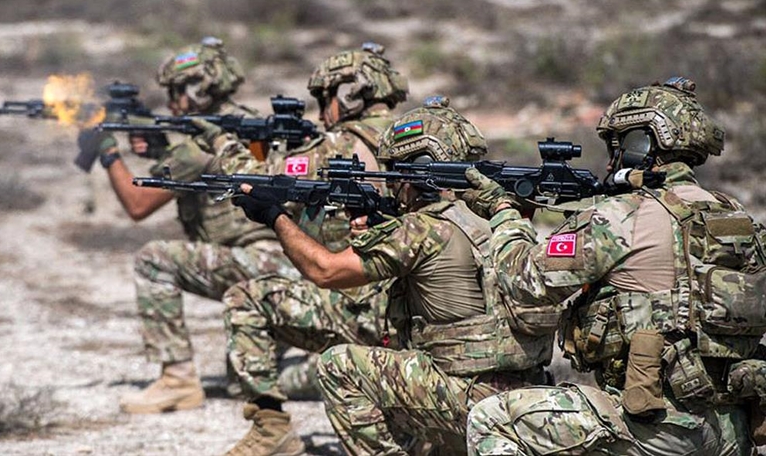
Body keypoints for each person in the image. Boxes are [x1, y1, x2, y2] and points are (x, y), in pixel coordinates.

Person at [229, 97, 557, 456]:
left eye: (398, 172)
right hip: (527, 394)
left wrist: (274, 216)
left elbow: (324, 271)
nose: (394, 184)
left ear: (418, 171)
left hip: (468, 397)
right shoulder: (506, 221)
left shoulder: (420, 229)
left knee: (340, 366)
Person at [463, 77, 766, 456]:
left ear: (643, 144)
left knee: (492, 420)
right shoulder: (737, 218)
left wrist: (504, 213)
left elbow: (523, 280)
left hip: (658, 430)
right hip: (733, 433)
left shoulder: (622, 216)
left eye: (618, 146)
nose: (610, 160)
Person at [77, 37, 299, 414]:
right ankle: (318, 369)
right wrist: (162, 149)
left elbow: (137, 205)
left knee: (154, 259)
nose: (171, 101)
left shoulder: (198, 147)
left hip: (258, 265)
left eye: (177, 91)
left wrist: (108, 150)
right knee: (242, 383)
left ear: (199, 91)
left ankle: (177, 380)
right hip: (282, 267)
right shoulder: (245, 124)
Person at [219, 46, 410, 456]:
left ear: (347, 96)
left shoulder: (338, 144)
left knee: (246, 300)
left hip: (365, 308)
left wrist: (223, 142)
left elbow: (257, 181)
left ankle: (271, 429)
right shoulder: (422, 138)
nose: (322, 113)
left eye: (324, 101)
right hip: (418, 313)